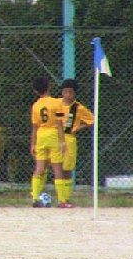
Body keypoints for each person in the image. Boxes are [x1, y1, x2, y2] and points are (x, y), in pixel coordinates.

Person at [29, 76, 67, 208]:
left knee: (39, 168)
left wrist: (32, 144)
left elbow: (34, 127)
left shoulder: (35, 106)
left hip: (41, 135)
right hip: (53, 134)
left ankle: (35, 198)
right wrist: (62, 141)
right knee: (57, 169)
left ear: (35, 91)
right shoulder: (57, 103)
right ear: (49, 86)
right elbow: (59, 123)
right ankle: (62, 201)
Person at [58, 79, 94, 208]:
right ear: (62, 92)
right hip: (56, 138)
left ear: (75, 93)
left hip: (69, 138)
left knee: (66, 169)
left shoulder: (78, 108)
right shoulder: (58, 104)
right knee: (56, 167)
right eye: (65, 92)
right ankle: (59, 198)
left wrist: (77, 128)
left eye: (70, 92)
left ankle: (65, 198)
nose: (68, 95)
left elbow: (92, 120)